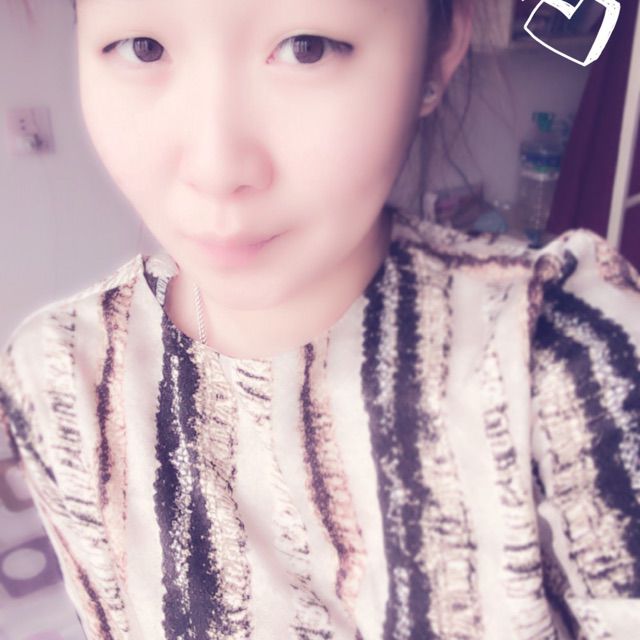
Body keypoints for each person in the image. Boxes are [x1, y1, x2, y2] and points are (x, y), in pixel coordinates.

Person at [1, 0, 639, 637]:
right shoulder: (60, 378)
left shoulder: (566, 359)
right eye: (144, 47)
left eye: (307, 47)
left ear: (437, 55)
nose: (215, 170)